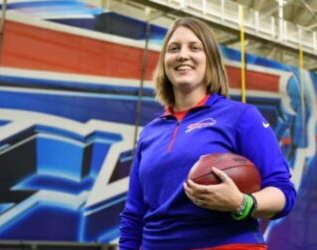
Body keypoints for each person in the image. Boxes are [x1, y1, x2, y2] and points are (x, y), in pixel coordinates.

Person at [119, 17, 296, 250]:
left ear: (210, 60)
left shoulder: (241, 117)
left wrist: (242, 203)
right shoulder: (150, 133)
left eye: (195, 47)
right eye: (174, 49)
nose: (183, 55)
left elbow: (283, 192)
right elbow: (134, 215)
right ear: (164, 63)